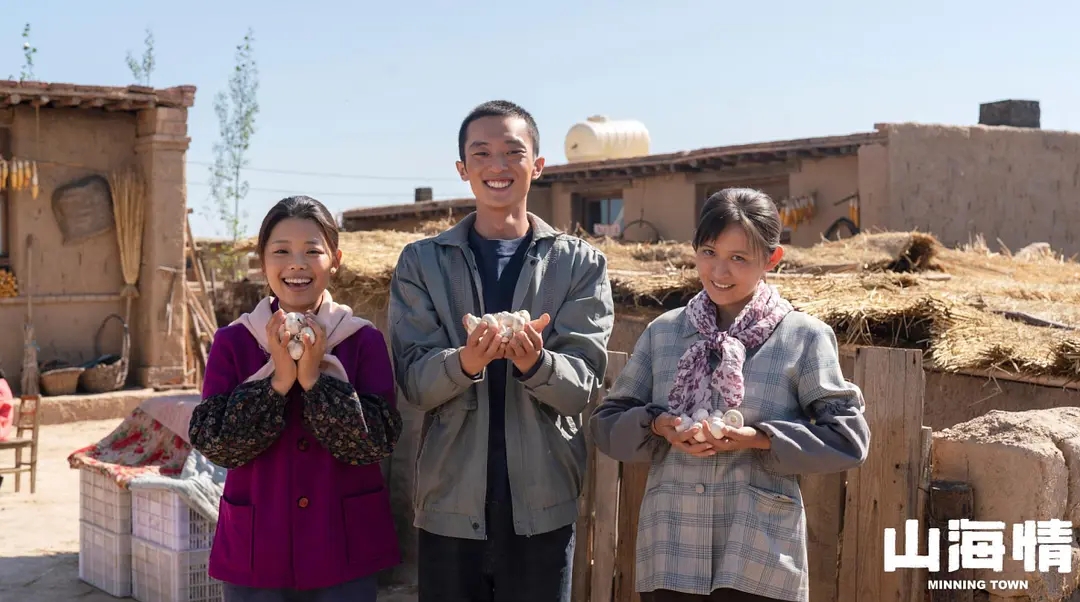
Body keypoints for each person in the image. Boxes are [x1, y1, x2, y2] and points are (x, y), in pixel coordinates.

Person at [588, 188, 871, 602]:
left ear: (771, 260)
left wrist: (758, 439)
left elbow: (849, 438)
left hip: (759, 556)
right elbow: (607, 424)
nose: (719, 270)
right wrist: (659, 425)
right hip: (672, 550)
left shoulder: (803, 337)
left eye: (739, 258)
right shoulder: (664, 333)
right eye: (708, 252)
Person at [388, 99, 615, 602]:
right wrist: (467, 361)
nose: (497, 165)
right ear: (462, 169)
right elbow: (414, 382)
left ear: (537, 165)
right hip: (449, 501)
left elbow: (581, 388)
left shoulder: (578, 264)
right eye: (482, 153)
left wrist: (535, 363)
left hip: (542, 504)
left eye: (514, 152)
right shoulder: (422, 263)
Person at [189, 195, 403, 602]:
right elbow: (215, 442)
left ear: (335, 259)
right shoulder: (234, 341)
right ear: (262, 260)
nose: (297, 263)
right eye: (281, 250)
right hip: (259, 549)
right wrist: (278, 384)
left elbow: (378, 440)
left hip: (342, 542)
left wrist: (315, 381)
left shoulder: (362, 340)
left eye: (313, 251)